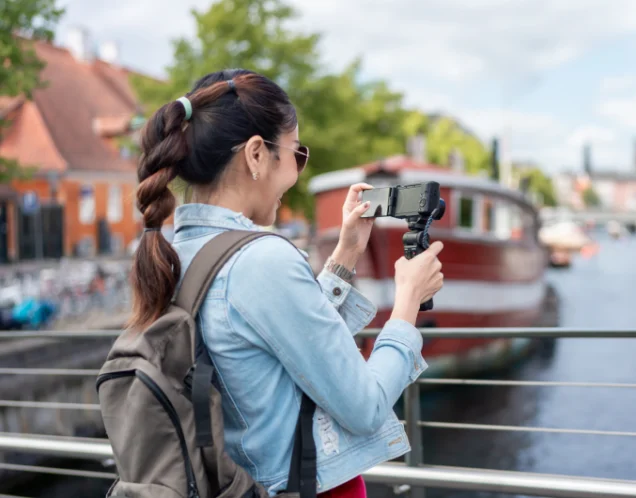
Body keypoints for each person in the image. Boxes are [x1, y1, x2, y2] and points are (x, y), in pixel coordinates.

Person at [127, 69, 444, 497]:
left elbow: (289, 347)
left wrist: (346, 254)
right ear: (257, 154)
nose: (296, 172)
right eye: (296, 153)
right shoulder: (261, 259)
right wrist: (407, 302)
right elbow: (365, 406)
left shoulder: (169, 253)